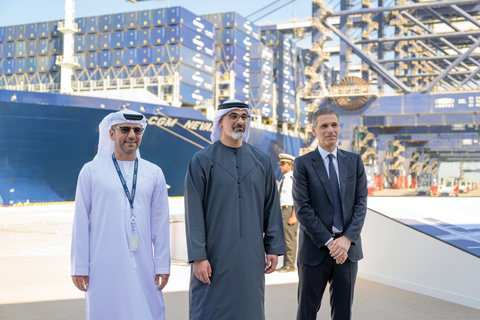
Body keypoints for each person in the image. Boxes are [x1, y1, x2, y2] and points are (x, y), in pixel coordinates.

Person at [184, 99, 285, 320]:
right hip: (214, 256)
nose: (240, 121)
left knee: (249, 309)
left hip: (251, 256)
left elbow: (271, 208)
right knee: (209, 308)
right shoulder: (201, 161)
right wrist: (199, 257)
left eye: (244, 117)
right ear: (220, 121)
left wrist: (273, 247)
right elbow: (193, 213)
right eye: (234, 116)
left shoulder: (262, 161)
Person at [71, 110, 171, 320]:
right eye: (125, 129)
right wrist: (79, 266)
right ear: (111, 134)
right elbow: (80, 222)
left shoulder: (154, 173)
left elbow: (160, 224)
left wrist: (162, 264)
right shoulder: (91, 171)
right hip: (102, 265)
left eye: (137, 130)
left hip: (143, 263)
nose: (132, 135)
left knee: (147, 310)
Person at [293, 107, 368, 320]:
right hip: (315, 250)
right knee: (307, 312)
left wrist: (346, 240)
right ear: (314, 131)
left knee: (343, 313)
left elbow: (361, 204)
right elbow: (303, 208)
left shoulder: (354, 162)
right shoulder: (302, 164)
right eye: (324, 126)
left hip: (347, 251)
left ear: (339, 128)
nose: (330, 130)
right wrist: (329, 242)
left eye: (334, 125)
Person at [276, 153, 299, 273]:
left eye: (283, 164)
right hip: (282, 210)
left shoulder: (293, 180)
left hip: (290, 211)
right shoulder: (283, 179)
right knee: (285, 239)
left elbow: (297, 199)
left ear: (290, 166)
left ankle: (290, 265)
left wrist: (294, 216)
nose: (280, 166)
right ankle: (286, 264)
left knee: (290, 239)